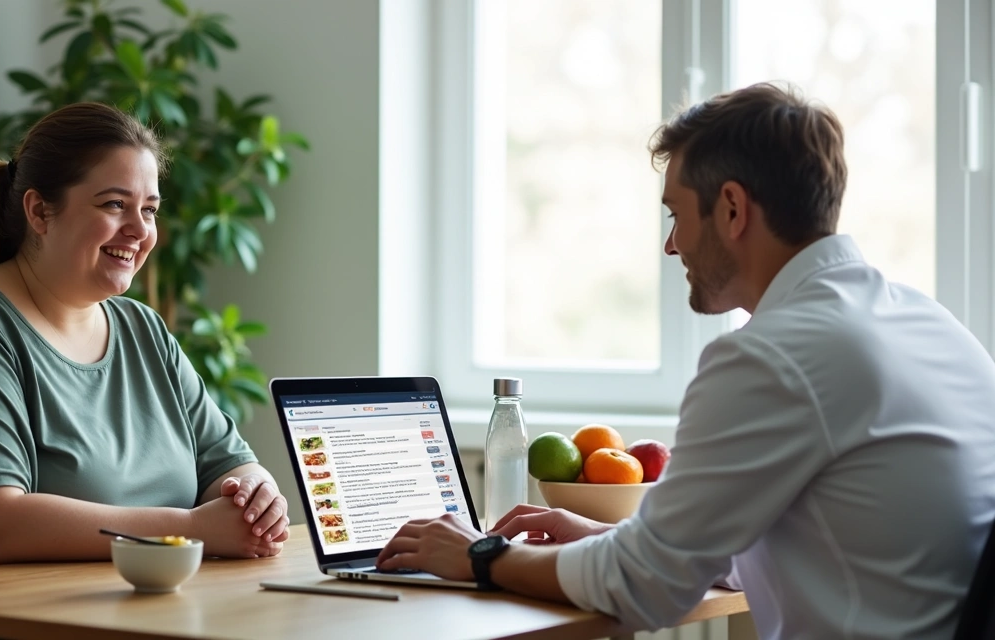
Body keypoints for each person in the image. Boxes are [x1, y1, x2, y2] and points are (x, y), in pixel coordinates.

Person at [375, 83, 995, 638]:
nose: (671, 245)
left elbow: (645, 589)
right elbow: (761, 540)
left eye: (676, 214)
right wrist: (611, 539)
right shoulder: (930, 326)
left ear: (731, 208)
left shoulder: (774, 357)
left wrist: (480, 556)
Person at [0, 102, 290, 599]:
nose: (140, 231)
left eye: (150, 209)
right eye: (114, 205)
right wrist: (193, 528)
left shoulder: (144, 330)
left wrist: (255, 498)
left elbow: (226, 462)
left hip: (116, 612)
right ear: (39, 211)